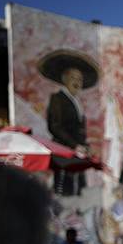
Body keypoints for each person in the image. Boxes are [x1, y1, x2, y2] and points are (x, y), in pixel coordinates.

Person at [39, 49, 99, 195]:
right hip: (63, 151)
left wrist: (85, 146)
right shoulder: (57, 98)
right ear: (65, 79)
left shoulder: (77, 102)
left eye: (79, 79)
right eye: (73, 78)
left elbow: (79, 130)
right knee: (63, 188)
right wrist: (74, 145)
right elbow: (55, 126)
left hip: (78, 153)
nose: (77, 82)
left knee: (79, 188)